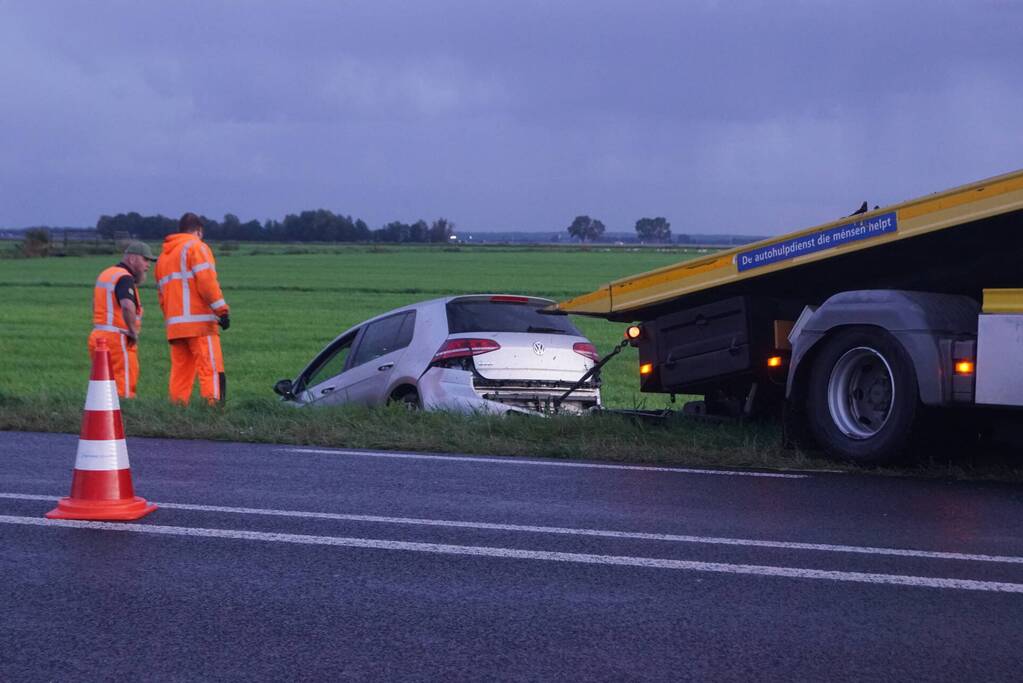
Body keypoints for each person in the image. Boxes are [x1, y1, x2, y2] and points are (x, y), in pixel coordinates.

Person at [155, 212, 231, 405]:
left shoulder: (164, 257)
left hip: (175, 326)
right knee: (211, 369)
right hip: (200, 324)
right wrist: (221, 310)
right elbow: (207, 282)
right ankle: (213, 411)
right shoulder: (197, 247)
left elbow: (162, 296)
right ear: (198, 231)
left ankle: (177, 411)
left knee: (181, 372)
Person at [88, 241, 157, 398]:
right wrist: (132, 331)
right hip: (117, 339)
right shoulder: (125, 277)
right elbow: (127, 305)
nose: (148, 265)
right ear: (132, 259)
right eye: (145, 260)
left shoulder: (106, 274)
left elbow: (94, 303)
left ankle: (102, 418)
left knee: (103, 385)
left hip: (97, 336)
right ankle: (122, 420)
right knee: (123, 387)